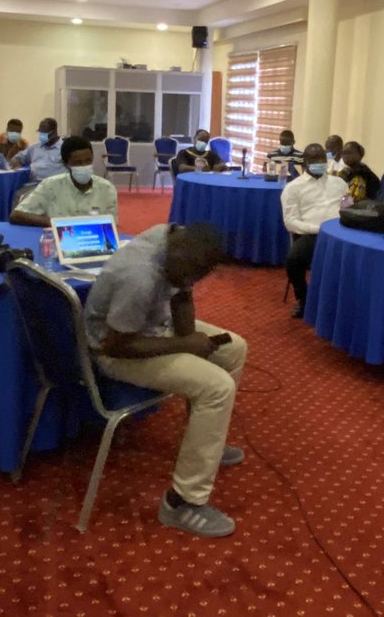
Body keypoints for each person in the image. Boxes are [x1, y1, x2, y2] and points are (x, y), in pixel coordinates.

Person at [84, 223, 247, 538]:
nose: (190, 284)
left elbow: (181, 301)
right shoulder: (139, 277)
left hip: (151, 327)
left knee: (235, 348)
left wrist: (189, 334)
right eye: (186, 278)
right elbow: (116, 346)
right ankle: (182, 503)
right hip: (116, 352)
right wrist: (185, 344)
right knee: (217, 388)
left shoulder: (172, 238)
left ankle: (204, 442)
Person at [281, 143, 349, 318]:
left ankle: (346, 301)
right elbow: (290, 222)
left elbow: (348, 208)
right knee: (293, 261)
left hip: (340, 233)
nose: (319, 163)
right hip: (312, 235)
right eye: (314, 160)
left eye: (322, 159)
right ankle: (303, 299)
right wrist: (319, 229)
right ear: (305, 162)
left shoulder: (339, 183)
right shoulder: (293, 188)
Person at [10, 136, 118, 226]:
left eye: (88, 161)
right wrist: (54, 223)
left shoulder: (106, 188)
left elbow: (112, 225)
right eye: (78, 163)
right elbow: (16, 215)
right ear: (66, 164)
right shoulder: (50, 186)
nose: (84, 166)